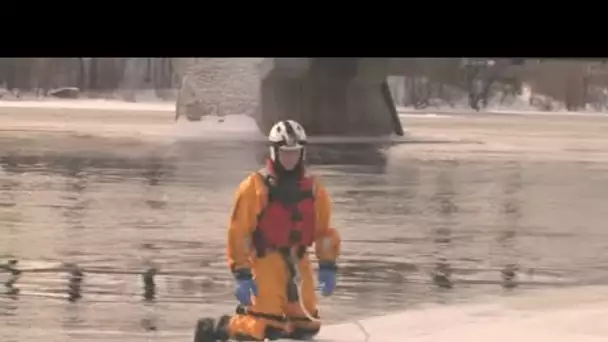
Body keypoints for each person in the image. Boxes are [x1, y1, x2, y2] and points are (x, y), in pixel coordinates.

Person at [194, 120, 341, 342]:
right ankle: (226, 327)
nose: (290, 159)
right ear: (274, 152)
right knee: (266, 326)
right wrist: (242, 273)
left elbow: (324, 231)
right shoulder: (255, 187)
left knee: (307, 326)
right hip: (264, 261)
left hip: (298, 262)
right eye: (285, 153)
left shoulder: (314, 190)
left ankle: (281, 320)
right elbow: (239, 232)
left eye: (295, 153)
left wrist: (328, 264)